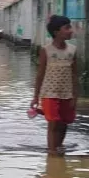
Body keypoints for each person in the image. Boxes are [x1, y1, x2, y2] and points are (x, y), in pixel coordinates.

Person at [32, 15, 78, 154]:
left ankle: (59, 146)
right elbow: (40, 75)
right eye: (67, 28)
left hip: (67, 93)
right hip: (49, 93)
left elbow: (75, 75)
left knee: (64, 122)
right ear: (56, 32)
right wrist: (35, 97)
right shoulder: (46, 50)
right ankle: (52, 152)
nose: (71, 30)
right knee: (53, 122)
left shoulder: (72, 50)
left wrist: (75, 96)